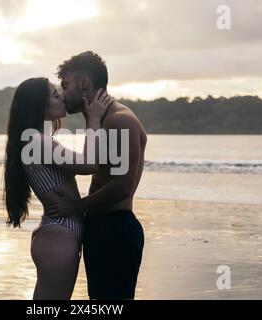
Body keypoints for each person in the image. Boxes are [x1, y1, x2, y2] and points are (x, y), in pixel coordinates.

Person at [47, 51, 147, 300]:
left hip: (115, 230)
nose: (62, 92)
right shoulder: (101, 120)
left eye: (66, 84)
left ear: (85, 83)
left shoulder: (118, 121)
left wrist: (74, 207)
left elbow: (122, 186)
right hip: (103, 228)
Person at [3, 77, 113, 300]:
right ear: (40, 106)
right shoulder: (37, 141)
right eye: (55, 94)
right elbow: (89, 164)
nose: (62, 96)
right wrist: (93, 119)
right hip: (58, 236)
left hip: (57, 235)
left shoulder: (37, 139)